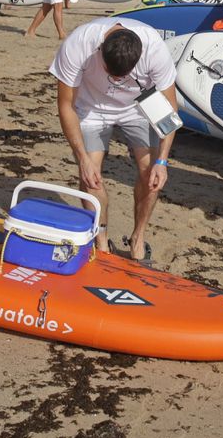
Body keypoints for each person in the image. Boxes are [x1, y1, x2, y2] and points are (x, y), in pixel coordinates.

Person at [50, 18, 178, 263]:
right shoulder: (79, 44)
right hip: (91, 108)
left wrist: (162, 162)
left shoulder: (154, 48)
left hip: (138, 108)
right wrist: (82, 158)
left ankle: (138, 239)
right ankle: (101, 240)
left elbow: (169, 110)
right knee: (91, 174)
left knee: (150, 174)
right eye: (111, 73)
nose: (118, 81)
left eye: (124, 75)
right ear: (100, 52)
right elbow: (65, 105)